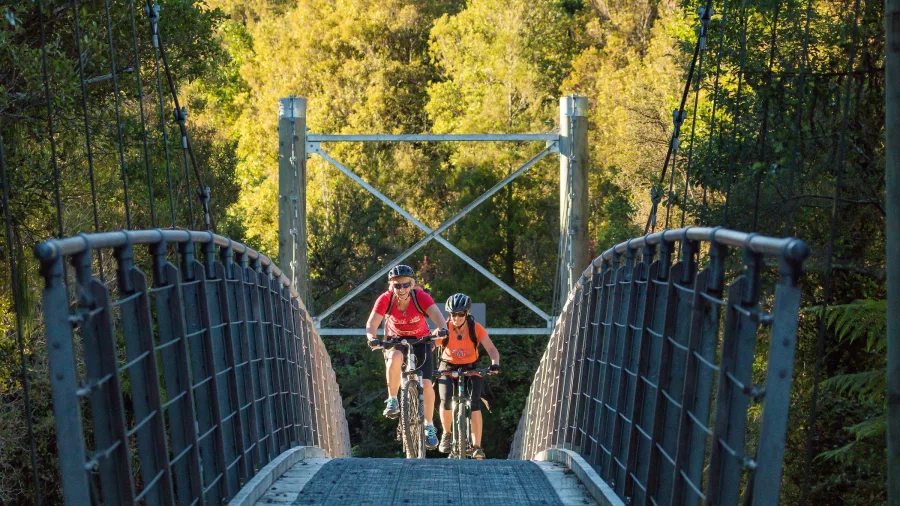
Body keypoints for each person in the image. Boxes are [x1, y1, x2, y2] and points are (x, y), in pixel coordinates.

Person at [365, 264, 447, 450]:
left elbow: (438, 317)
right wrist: (372, 338)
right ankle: (393, 399)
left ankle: (429, 426)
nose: (401, 289)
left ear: (412, 285)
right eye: (397, 286)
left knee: (426, 384)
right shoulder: (385, 299)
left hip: (421, 340)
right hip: (396, 340)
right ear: (391, 286)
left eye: (405, 285)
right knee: (394, 357)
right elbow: (372, 323)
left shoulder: (421, 297)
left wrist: (442, 330)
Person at [435, 293, 500, 459]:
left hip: (470, 367)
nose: (456, 318)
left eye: (460, 314)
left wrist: (495, 363)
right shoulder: (444, 328)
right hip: (447, 366)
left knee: (475, 402)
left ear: (467, 313)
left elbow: (492, 349)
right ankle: (447, 434)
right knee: (445, 398)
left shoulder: (475, 328)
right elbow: (430, 347)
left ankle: (477, 446)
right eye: (453, 314)